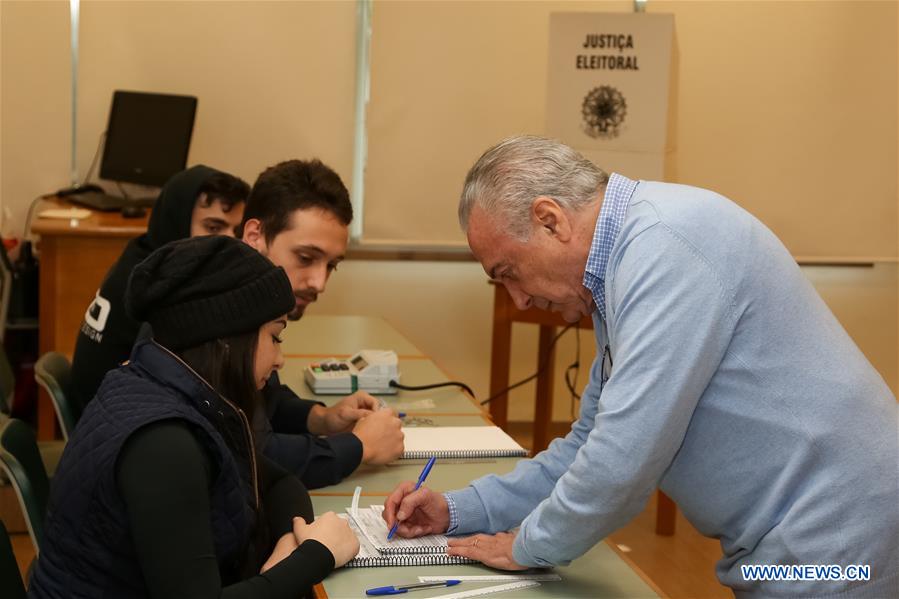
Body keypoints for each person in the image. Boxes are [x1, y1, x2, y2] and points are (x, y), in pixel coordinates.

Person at [383, 136, 898, 597]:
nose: (517, 300)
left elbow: (622, 461)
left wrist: (525, 547)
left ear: (550, 219)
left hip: (835, 549)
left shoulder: (665, 248)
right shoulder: (624, 262)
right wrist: (459, 511)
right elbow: (590, 444)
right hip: (791, 542)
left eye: (509, 273)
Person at [30, 236, 359, 598]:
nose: (280, 359)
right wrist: (318, 555)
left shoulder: (182, 390)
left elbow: (279, 482)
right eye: (275, 337)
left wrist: (288, 542)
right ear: (229, 341)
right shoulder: (162, 442)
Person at [240, 159, 404, 488]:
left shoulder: (249, 302)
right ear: (255, 235)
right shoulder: (215, 318)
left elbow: (263, 402)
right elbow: (254, 459)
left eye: (331, 265)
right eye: (305, 258)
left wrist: (322, 418)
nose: (319, 282)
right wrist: (361, 446)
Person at [69, 165, 249, 417]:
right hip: (111, 427)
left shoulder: (143, 256)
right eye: (213, 227)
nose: (228, 242)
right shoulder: (155, 286)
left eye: (236, 231)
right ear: (177, 220)